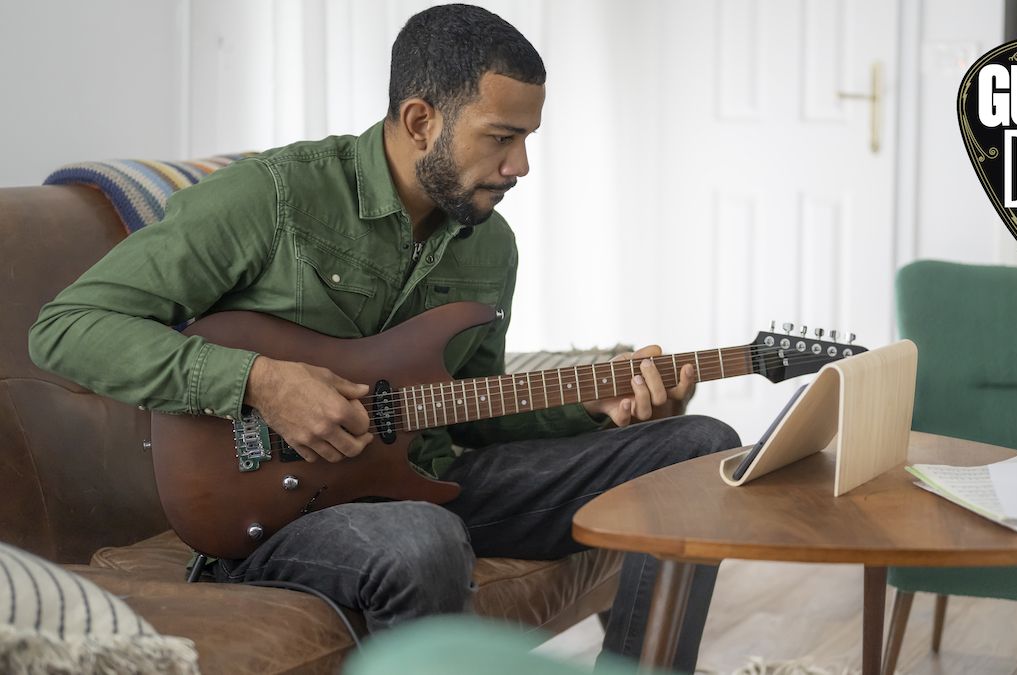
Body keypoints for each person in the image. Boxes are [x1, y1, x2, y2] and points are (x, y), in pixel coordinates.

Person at [29, 4, 739, 672]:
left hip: (431, 482)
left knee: (697, 448)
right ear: (421, 118)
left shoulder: (490, 246)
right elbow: (66, 329)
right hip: (281, 509)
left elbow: (470, 405)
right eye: (502, 136)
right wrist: (258, 381)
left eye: (527, 139)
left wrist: (593, 405)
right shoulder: (271, 197)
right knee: (422, 540)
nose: (520, 165)